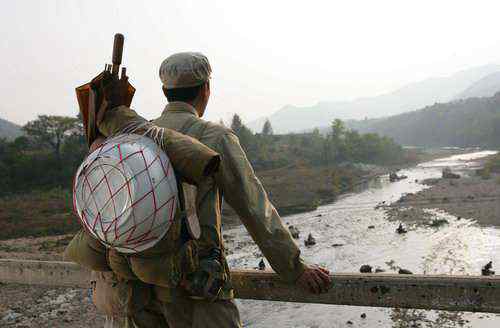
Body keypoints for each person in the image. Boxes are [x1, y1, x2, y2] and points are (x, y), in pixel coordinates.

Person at [83, 52, 331, 328]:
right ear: (205, 89)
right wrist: (294, 269)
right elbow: (253, 206)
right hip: (197, 291)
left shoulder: (134, 136)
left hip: (141, 292)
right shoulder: (215, 137)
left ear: (165, 91)